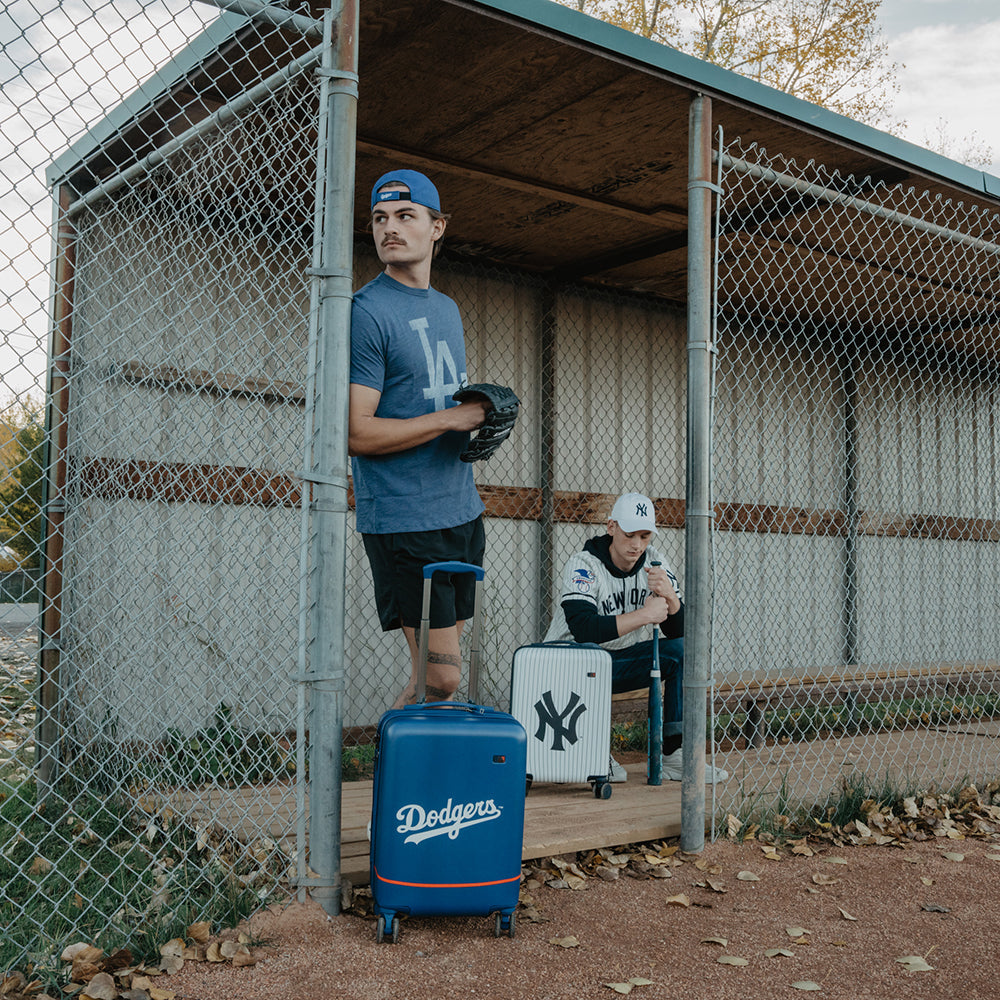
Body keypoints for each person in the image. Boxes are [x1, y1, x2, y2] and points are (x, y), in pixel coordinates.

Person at [349, 169, 490, 709]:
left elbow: (436, 402)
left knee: (433, 680)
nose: (390, 228)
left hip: (460, 510)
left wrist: (478, 416)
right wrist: (450, 420)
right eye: (380, 218)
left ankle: (409, 764)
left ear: (437, 227)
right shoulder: (367, 311)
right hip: (404, 519)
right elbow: (358, 432)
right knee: (442, 679)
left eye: (406, 216)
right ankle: (393, 758)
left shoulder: (446, 309)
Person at [543, 492, 728, 783]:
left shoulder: (654, 562)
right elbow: (584, 628)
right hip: (569, 663)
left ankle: (675, 754)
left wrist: (670, 597)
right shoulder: (584, 564)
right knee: (590, 651)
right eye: (629, 535)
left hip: (618, 661)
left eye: (644, 536)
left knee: (684, 651)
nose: (637, 545)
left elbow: (679, 632)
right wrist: (645, 615)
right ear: (611, 527)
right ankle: (592, 750)